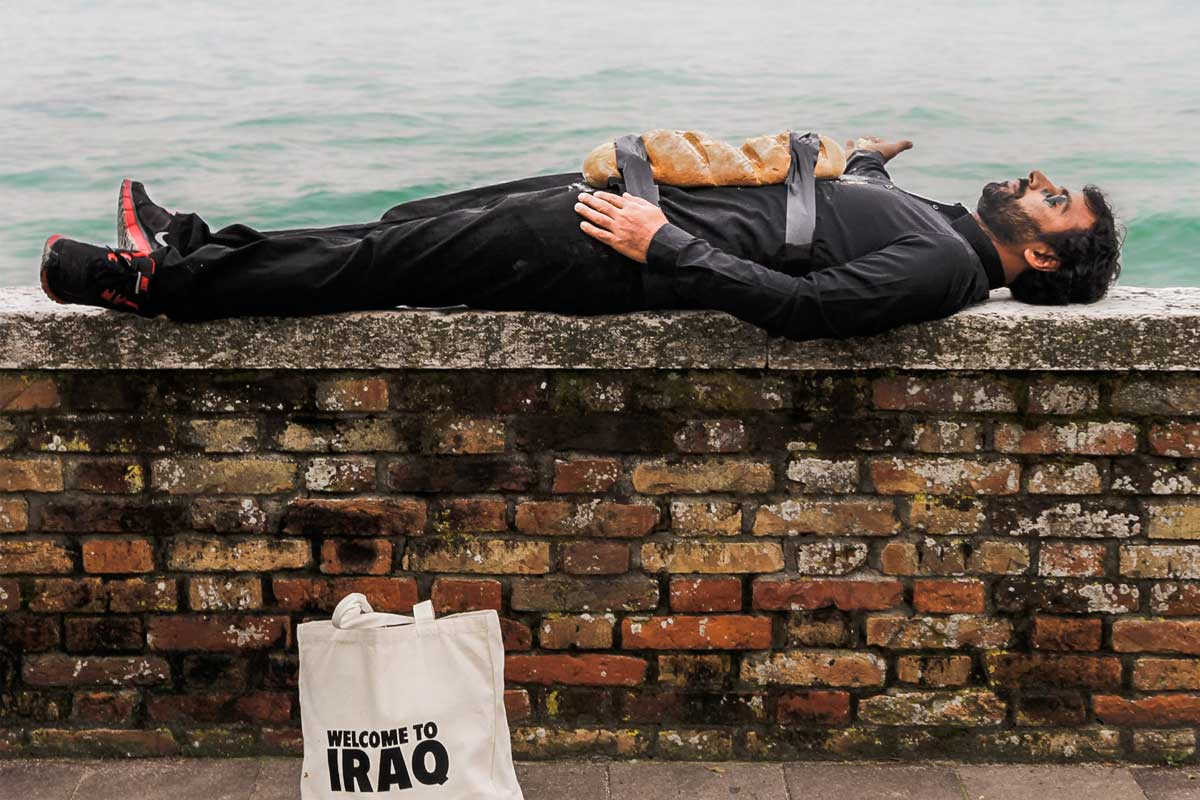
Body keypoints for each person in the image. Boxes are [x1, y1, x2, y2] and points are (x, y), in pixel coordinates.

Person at [38, 135, 1122, 340]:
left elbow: (804, 308)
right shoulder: (939, 226)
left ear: (1042, 257)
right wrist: (865, 160)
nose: (1036, 181)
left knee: (384, 263)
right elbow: (825, 219)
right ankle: (195, 248)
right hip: (615, 203)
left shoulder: (941, 268)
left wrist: (663, 244)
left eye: (1053, 199)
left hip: (612, 245)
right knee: (404, 225)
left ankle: (148, 285)